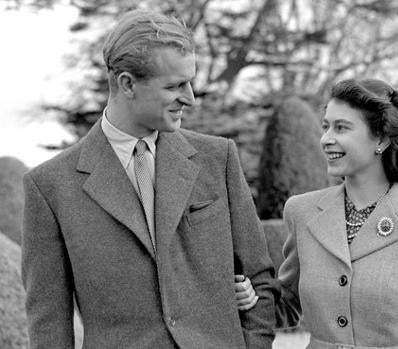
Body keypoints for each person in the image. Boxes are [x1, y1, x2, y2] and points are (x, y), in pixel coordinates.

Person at [22, 9, 277, 349]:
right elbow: (49, 325)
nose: (189, 97)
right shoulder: (50, 186)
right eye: (174, 86)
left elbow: (260, 280)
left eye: (189, 82)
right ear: (127, 83)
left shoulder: (219, 159)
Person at [236, 78, 398, 348]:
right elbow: (287, 305)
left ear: (380, 138)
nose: (326, 139)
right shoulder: (301, 211)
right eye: (325, 127)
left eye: (341, 128)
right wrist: (252, 297)